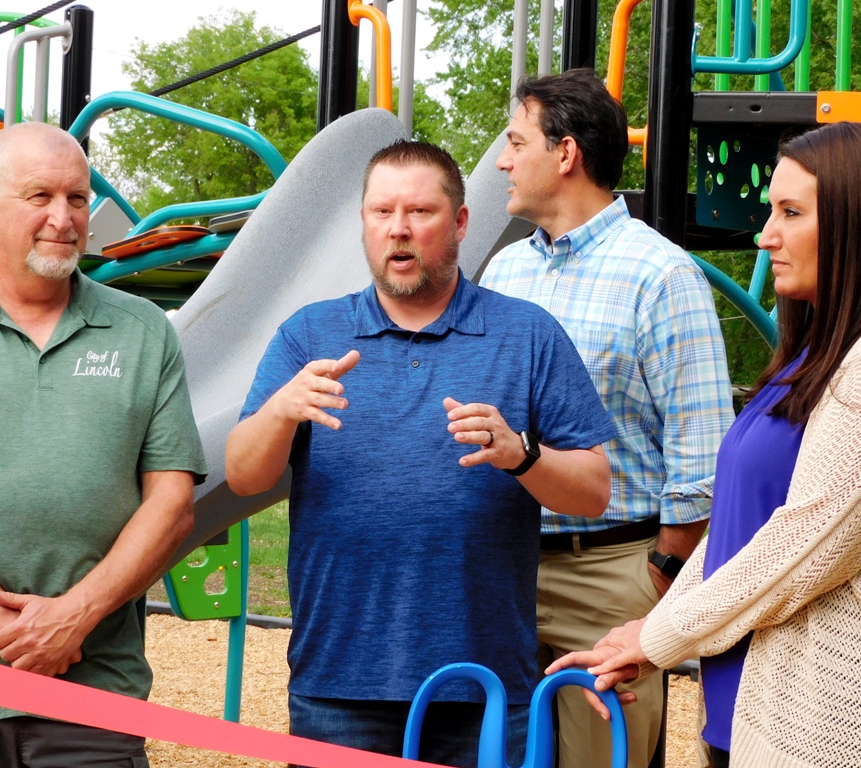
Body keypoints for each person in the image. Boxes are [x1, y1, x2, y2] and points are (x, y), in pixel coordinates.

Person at [224, 139, 615, 767]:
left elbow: (594, 491)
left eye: (420, 212)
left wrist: (522, 454)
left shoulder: (526, 334)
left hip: (486, 683)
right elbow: (244, 478)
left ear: (460, 222)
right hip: (338, 681)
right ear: (363, 223)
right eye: (382, 212)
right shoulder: (309, 333)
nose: (398, 229)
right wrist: (280, 410)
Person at [548, 121, 861, 768]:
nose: (765, 236)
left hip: (838, 715)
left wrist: (661, 634)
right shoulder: (807, 357)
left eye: (791, 213)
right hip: (751, 702)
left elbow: (807, 544)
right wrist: (652, 634)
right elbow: (738, 530)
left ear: (855, 223)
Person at [0, 122, 208, 766]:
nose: (63, 219)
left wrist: (76, 614)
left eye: (77, 198)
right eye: (39, 196)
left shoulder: (142, 330)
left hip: (93, 689)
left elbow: (172, 504)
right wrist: (15, 625)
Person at [479, 69, 734, 768]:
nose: (502, 161)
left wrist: (656, 580)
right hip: (502, 569)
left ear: (565, 153)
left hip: (610, 572)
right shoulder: (503, 274)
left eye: (516, 142)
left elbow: (701, 456)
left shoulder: (663, 275)